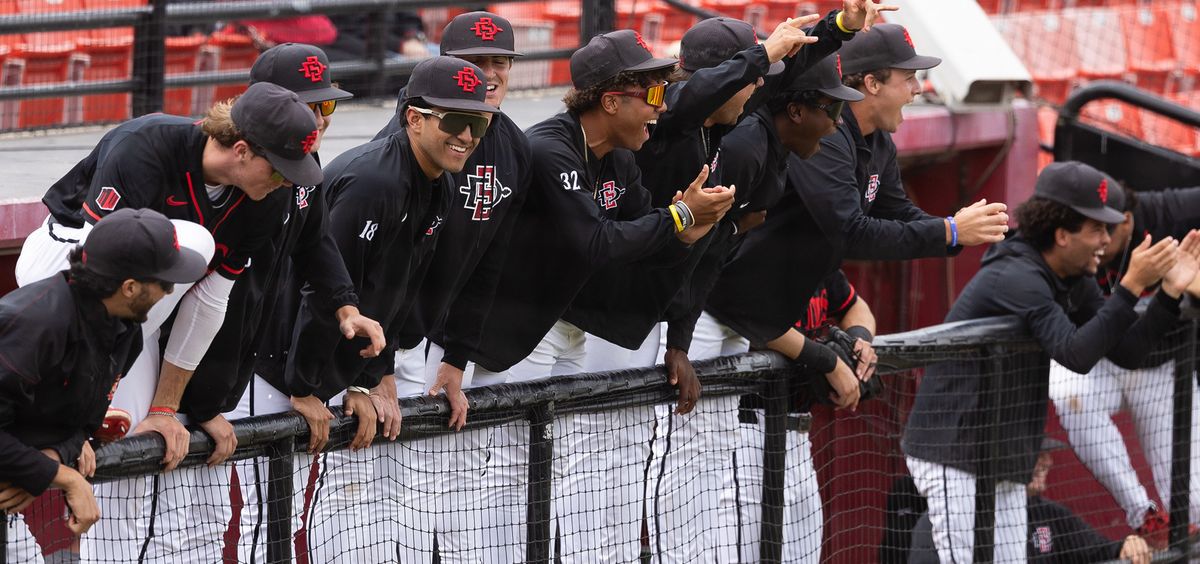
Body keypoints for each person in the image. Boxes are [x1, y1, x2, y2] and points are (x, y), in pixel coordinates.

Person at [15, 79, 324, 562]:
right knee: (193, 242)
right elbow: (99, 277)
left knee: (134, 464)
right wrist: (88, 395)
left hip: (135, 322)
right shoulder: (145, 146)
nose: (287, 181)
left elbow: (209, 304)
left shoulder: (268, 198)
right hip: (61, 269)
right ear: (241, 150)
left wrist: (165, 406)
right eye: (281, 169)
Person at [463, 29, 735, 562]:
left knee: (551, 466)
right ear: (611, 100)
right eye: (652, 94)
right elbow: (597, 243)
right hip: (500, 332)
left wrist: (687, 232)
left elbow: (644, 247)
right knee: (496, 472)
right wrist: (678, 217)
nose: (662, 107)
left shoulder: (620, 159)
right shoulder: (549, 147)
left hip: (565, 329)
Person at [902, 161, 1200, 562]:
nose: (1106, 240)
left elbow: (1127, 351)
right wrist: (1130, 286)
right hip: (953, 450)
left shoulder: (1072, 278)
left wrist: (1167, 294)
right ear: (1062, 234)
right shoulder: (1016, 273)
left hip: (1002, 454)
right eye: (1096, 228)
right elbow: (1075, 354)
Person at [272, 55, 498, 563]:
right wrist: (308, 385)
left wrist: (378, 371)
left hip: (323, 367)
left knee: (330, 504)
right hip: (279, 368)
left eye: (478, 122)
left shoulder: (440, 181)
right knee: (266, 513)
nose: (468, 135)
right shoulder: (375, 181)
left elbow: (395, 292)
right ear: (414, 118)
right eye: (455, 121)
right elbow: (323, 289)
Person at [646, 53, 869, 563]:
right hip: (671, 311)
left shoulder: (767, 148)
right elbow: (701, 257)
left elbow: (713, 248)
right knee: (678, 456)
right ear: (795, 110)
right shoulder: (745, 146)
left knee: (704, 458)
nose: (838, 125)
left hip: (695, 312)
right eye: (829, 111)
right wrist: (679, 340)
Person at [173, 43, 382, 564]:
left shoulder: (301, 168)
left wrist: (345, 307)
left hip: (243, 355)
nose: (317, 119)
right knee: (205, 513)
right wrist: (294, 384)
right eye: (306, 105)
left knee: (234, 516)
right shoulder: (233, 168)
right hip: (202, 358)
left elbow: (317, 246)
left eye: (325, 107)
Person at [704, 23, 1009, 354]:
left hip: (758, 314)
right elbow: (848, 231)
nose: (918, 89)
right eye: (908, 77)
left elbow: (898, 211)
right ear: (872, 83)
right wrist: (948, 231)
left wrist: (953, 229)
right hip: (712, 302)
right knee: (672, 404)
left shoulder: (878, 141)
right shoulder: (826, 134)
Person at [365, 11, 532, 561]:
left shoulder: (512, 147)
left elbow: (493, 261)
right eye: (473, 63)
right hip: (379, 341)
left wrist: (458, 361)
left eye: (498, 62)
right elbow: (379, 268)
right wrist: (379, 369)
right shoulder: (405, 146)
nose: (488, 74)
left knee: (444, 491)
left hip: (437, 344)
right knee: (376, 496)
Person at [0, 208, 210, 563]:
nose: (171, 290)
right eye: (163, 280)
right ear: (129, 287)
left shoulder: (124, 331)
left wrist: (50, 460)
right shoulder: (36, 323)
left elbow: (82, 426)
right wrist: (65, 478)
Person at [1049, 181, 1200, 541]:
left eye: (1105, 227)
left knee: (1194, 503)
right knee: (1069, 391)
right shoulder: (1069, 244)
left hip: (1160, 367)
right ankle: (1144, 515)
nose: (1098, 239)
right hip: (1095, 363)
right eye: (1090, 226)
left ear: (1127, 221)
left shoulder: (1170, 214)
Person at [734, 269, 876, 563]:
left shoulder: (816, 253)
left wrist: (860, 340)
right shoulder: (758, 248)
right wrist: (830, 362)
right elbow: (757, 322)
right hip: (747, 434)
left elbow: (854, 305)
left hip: (799, 437)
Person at [909, 438, 1153, 564]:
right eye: (1037, 455)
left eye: (1047, 455)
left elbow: (1098, 551)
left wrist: (1127, 544)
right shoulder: (941, 520)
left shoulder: (1049, 514)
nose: (1046, 462)